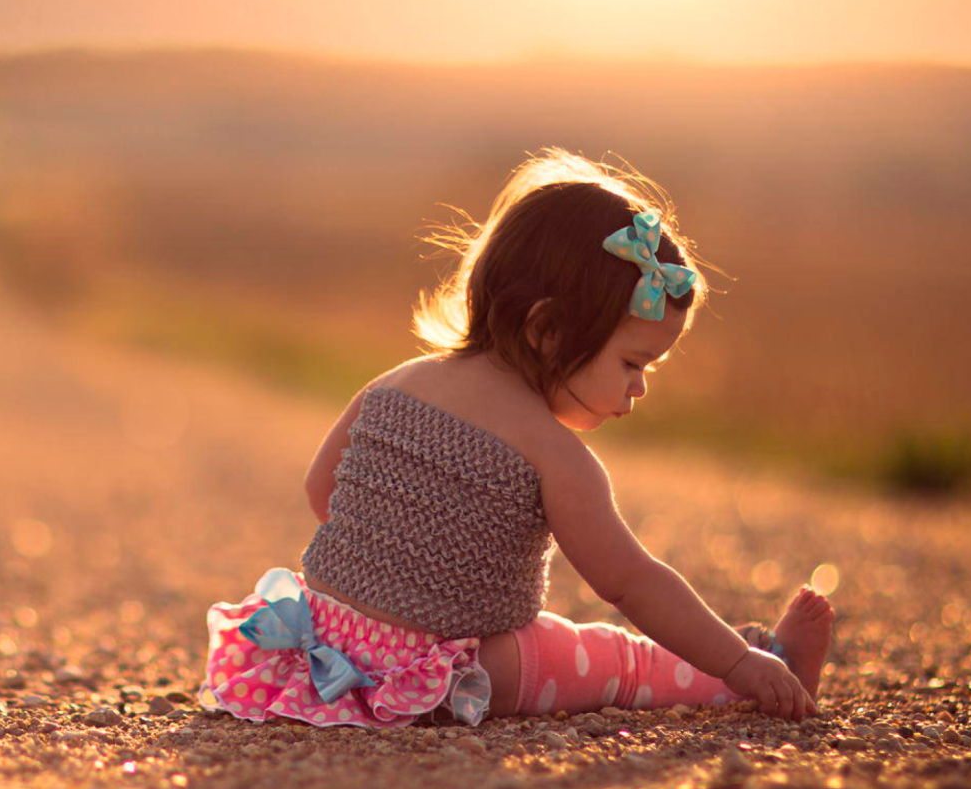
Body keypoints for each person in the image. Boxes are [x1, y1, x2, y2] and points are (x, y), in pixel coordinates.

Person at [199, 147, 835, 729]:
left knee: (560, 637)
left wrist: (395, 561)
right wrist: (737, 663)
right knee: (606, 656)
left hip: (322, 647)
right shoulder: (555, 454)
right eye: (632, 365)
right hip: (443, 678)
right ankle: (752, 669)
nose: (638, 390)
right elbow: (632, 583)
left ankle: (747, 648)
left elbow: (323, 492)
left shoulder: (397, 382)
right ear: (549, 332)